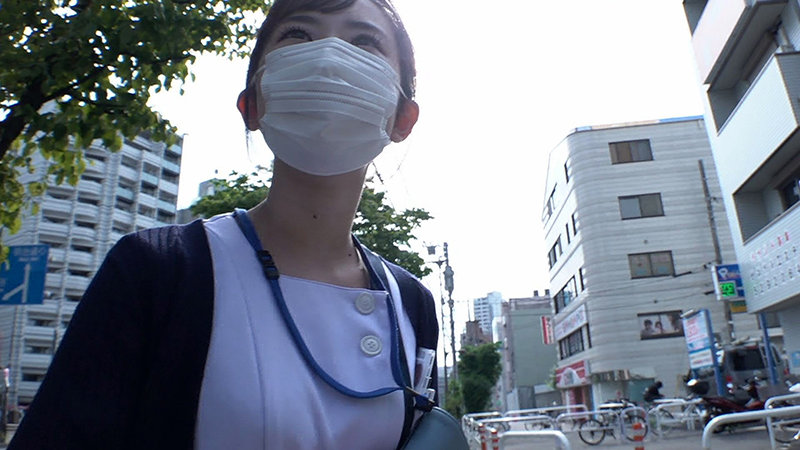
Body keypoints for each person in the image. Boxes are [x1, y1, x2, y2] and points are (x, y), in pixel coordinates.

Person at [9, 1, 439, 449]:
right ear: (251, 105)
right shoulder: (155, 271)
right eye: (298, 35)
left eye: (364, 42)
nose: (329, 58)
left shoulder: (412, 303)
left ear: (403, 119)